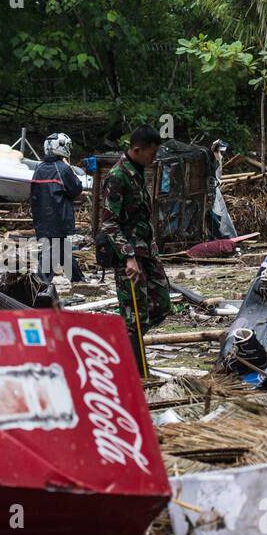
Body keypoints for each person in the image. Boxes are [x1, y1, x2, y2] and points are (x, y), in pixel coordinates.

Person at [98, 126, 171, 374]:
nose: (154, 158)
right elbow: (108, 223)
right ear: (137, 150)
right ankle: (137, 373)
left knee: (162, 303)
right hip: (128, 256)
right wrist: (128, 256)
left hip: (147, 251)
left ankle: (124, 345)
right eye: (152, 153)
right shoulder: (118, 176)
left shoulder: (137, 172)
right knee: (134, 317)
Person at [29, 131, 85, 283]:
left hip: (42, 218)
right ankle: (42, 283)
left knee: (60, 250)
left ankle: (77, 280)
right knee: (52, 251)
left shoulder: (38, 168)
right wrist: (70, 168)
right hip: (59, 217)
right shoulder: (63, 168)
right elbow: (76, 189)